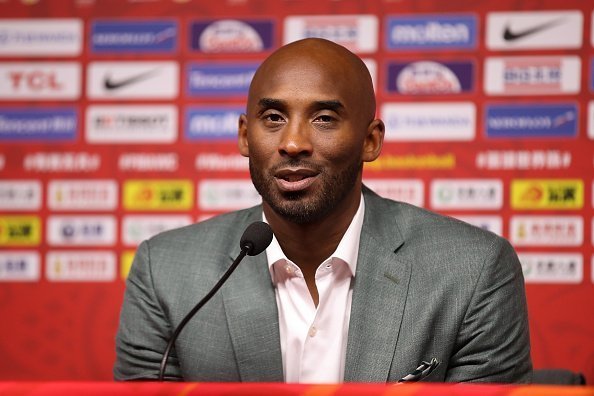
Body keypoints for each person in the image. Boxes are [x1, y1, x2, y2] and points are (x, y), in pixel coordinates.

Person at [114, 38, 532, 383]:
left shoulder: (473, 270)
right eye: (274, 117)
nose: (293, 142)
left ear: (370, 141)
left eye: (325, 118)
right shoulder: (165, 271)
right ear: (245, 136)